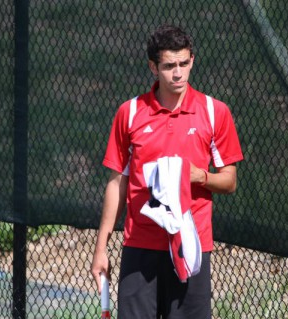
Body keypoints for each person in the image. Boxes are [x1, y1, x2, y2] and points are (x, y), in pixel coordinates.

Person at [91, 24, 244, 319]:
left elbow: (230, 181)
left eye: (184, 64)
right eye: (169, 66)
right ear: (153, 67)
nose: (178, 73)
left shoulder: (215, 112)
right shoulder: (131, 112)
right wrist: (101, 250)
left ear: (192, 61)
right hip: (140, 245)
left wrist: (200, 176)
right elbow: (117, 183)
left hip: (190, 246)